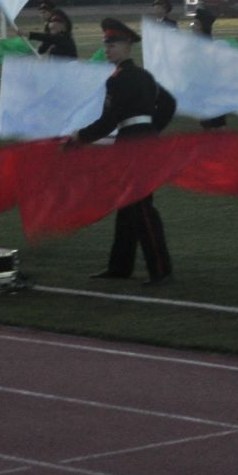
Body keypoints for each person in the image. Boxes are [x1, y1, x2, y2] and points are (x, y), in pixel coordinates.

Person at [74, 19, 173, 286]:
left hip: (132, 146)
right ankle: (120, 266)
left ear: (128, 47)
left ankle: (160, 269)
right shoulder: (144, 76)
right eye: (106, 45)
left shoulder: (119, 80)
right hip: (142, 142)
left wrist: (80, 138)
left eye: (113, 45)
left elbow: (111, 119)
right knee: (129, 207)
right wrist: (151, 129)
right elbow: (168, 104)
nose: (108, 49)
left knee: (140, 208)